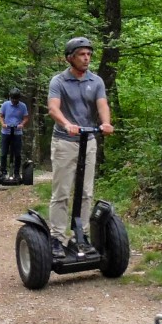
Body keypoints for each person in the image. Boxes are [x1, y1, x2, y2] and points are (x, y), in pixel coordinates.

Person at [47, 37, 113, 254]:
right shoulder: (59, 81)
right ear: (70, 58)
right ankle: (56, 238)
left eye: (89, 54)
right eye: (82, 55)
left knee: (86, 192)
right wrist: (67, 124)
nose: (87, 58)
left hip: (89, 141)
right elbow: (53, 109)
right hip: (65, 142)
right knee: (62, 192)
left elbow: (101, 105)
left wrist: (105, 123)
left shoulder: (96, 81)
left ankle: (81, 236)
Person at [0, 87, 29, 178]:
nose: (14, 101)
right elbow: (0, 116)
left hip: (17, 132)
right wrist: (3, 123)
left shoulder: (22, 106)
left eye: (16, 99)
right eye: (13, 99)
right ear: (10, 97)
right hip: (6, 131)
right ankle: (3, 172)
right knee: (4, 153)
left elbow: (26, 117)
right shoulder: (5, 105)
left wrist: (22, 124)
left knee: (17, 154)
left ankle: (16, 173)